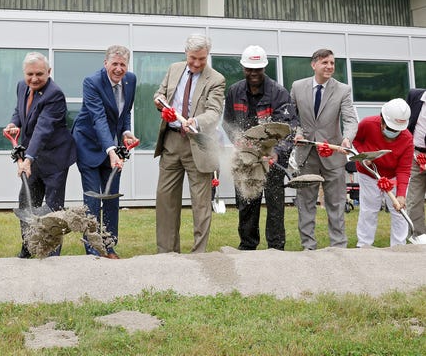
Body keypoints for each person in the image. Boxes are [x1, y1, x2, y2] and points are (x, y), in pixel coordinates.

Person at [153, 34, 225, 253]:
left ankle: (199, 254)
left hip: (199, 144)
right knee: (165, 200)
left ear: (207, 56)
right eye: (193, 58)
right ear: (186, 53)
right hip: (171, 142)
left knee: (201, 204)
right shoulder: (174, 69)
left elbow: (214, 112)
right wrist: (159, 102)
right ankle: (166, 252)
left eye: (202, 59)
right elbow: (161, 93)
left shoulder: (216, 79)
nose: (196, 63)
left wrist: (197, 122)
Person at [222, 45, 298, 250]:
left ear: (264, 68)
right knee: (247, 202)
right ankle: (247, 245)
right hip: (246, 157)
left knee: (274, 205)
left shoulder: (279, 93)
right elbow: (227, 121)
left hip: (272, 158)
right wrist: (237, 140)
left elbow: (289, 127)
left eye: (258, 69)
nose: (253, 73)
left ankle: (275, 247)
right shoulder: (235, 91)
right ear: (243, 68)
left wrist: (277, 151)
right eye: (249, 69)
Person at [3, 52, 77, 258]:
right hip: (33, 158)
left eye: (39, 74)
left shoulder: (55, 94)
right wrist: (14, 123)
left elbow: (43, 129)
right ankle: (28, 247)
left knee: (52, 209)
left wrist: (28, 159)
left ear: (49, 72)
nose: (34, 79)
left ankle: (52, 253)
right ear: (24, 73)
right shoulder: (21, 86)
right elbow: (20, 110)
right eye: (30, 74)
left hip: (54, 159)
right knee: (26, 203)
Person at [72, 45, 138, 259]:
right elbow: (99, 118)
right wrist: (111, 150)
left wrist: (126, 131)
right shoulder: (92, 82)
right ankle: (93, 249)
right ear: (105, 64)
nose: (119, 69)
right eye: (115, 64)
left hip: (114, 148)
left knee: (111, 198)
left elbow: (125, 111)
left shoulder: (131, 80)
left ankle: (109, 246)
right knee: (93, 199)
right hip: (89, 145)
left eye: (123, 65)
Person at [290, 48, 358, 250]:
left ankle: (338, 246)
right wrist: (297, 132)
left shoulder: (343, 90)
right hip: (306, 153)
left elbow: (350, 119)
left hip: (333, 154)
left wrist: (347, 139)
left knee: (336, 203)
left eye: (332, 63)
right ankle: (308, 247)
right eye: (325, 63)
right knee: (306, 203)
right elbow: (291, 117)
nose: (329, 67)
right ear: (314, 65)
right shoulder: (297, 87)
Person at [353, 99, 411, 246]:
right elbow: (355, 141)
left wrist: (401, 195)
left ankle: (399, 246)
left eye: (397, 130)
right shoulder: (367, 124)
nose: (393, 133)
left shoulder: (407, 139)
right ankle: (364, 245)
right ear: (382, 120)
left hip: (393, 176)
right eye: (390, 129)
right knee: (369, 209)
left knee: (399, 212)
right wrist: (363, 156)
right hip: (368, 173)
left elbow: (404, 169)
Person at [404, 89, 426, 238]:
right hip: (415, 154)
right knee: (414, 198)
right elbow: (405, 123)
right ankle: (417, 236)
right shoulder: (414, 96)